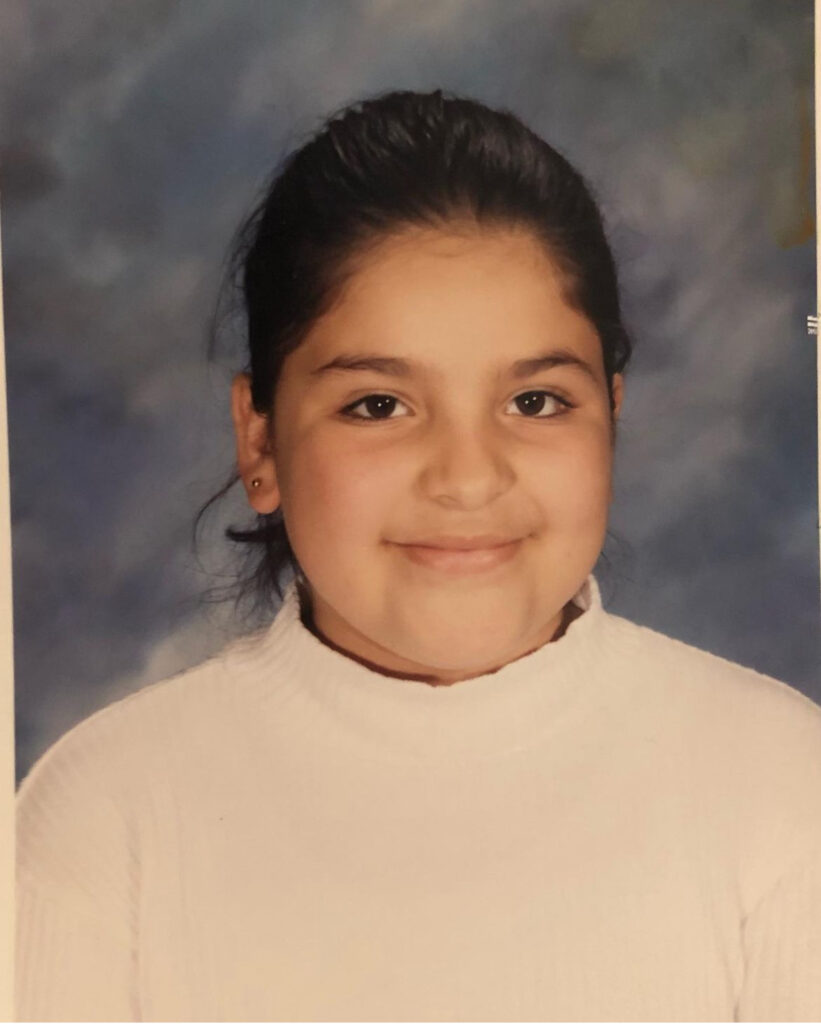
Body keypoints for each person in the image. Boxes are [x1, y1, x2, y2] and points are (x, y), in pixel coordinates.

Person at [16, 89, 821, 1023]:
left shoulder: (779, 780)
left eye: (535, 402)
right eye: (378, 406)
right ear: (260, 444)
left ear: (612, 415)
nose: (467, 479)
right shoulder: (102, 818)